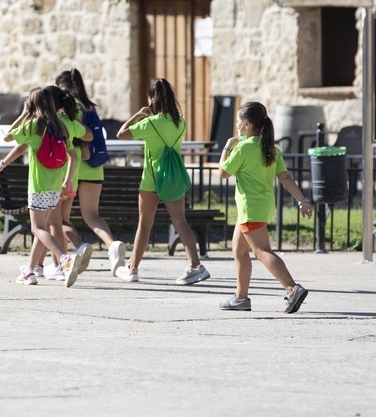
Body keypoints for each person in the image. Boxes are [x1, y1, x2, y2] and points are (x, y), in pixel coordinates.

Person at [217, 102, 312, 313]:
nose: (236, 123)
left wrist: (226, 147)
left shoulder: (243, 148)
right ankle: (241, 298)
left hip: (250, 209)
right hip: (259, 208)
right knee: (239, 250)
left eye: (238, 120)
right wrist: (302, 200)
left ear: (247, 124)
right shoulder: (272, 149)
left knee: (261, 251)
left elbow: (222, 173)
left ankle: (292, 288)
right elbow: (285, 178)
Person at [0, 86, 90, 287]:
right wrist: (67, 180)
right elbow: (76, 149)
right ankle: (30, 271)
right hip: (56, 185)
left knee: (37, 229)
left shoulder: (34, 125)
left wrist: (24, 114)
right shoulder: (61, 125)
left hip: (38, 185)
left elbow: (8, 137)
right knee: (43, 227)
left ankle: (64, 258)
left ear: (33, 104)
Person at [115, 78, 205, 285]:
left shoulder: (149, 123)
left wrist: (138, 114)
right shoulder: (180, 122)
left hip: (151, 180)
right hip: (173, 178)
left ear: (153, 99)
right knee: (181, 222)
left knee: (144, 225)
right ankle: (196, 265)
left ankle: (133, 268)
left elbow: (121, 134)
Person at [55, 69, 125, 275]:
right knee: (92, 215)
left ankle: (68, 257)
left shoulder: (68, 108)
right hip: (95, 167)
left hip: (74, 168)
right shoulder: (91, 107)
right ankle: (112, 245)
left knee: (59, 219)